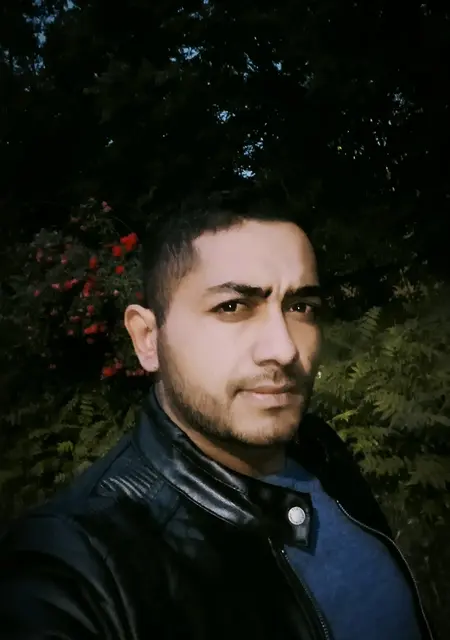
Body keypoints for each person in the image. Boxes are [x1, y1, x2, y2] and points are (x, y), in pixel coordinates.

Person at [0, 199, 433, 640]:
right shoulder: (79, 561)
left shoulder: (318, 447)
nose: (284, 349)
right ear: (148, 339)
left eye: (301, 307)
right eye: (232, 306)